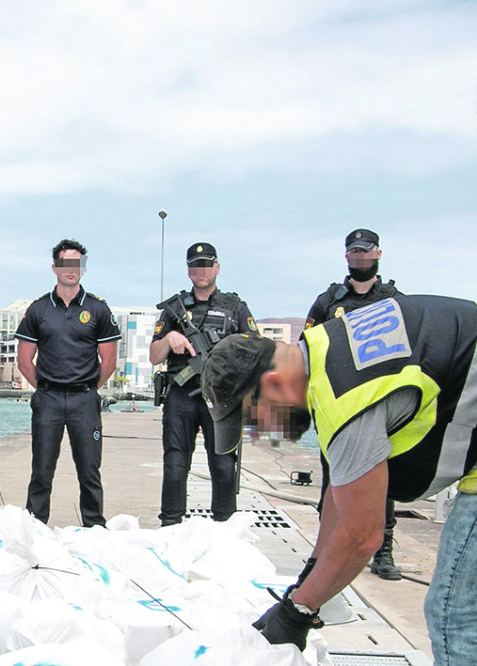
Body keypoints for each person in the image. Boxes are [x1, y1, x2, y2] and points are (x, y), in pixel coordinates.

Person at [201, 295, 477, 664]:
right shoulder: (325, 347)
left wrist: (296, 612)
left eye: (254, 419)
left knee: (451, 613)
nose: (260, 432)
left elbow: (362, 537)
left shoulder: (345, 400)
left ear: (272, 384)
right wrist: (312, 572)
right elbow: (341, 492)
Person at [306, 228, 403, 580]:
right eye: (354, 252)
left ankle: (384, 551)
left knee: (382, 479)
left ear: (378, 254)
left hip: (379, 403)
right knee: (333, 479)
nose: (360, 257)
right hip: (338, 405)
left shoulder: (394, 300)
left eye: (367, 252)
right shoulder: (328, 301)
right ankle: (326, 546)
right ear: (346, 257)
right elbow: (309, 347)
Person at [149, 242, 258, 526]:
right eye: (195, 265)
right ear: (188, 271)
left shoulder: (235, 308)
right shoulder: (174, 310)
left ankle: (224, 527)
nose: (202, 271)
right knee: (175, 464)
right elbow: (153, 356)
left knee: (223, 465)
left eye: (207, 264)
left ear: (217, 268)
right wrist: (168, 340)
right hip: (181, 394)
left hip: (220, 397)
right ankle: (171, 526)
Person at [15, 239, 120, 527]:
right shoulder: (38, 310)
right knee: (41, 470)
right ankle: (35, 527)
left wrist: (85, 388)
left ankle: (94, 526)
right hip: (47, 400)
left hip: (84, 400)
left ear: (83, 269)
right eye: (65, 263)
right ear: (55, 268)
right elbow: (25, 362)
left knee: (89, 470)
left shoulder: (98, 309)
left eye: (77, 263)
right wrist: (48, 388)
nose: (70, 269)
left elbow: (108, 362)